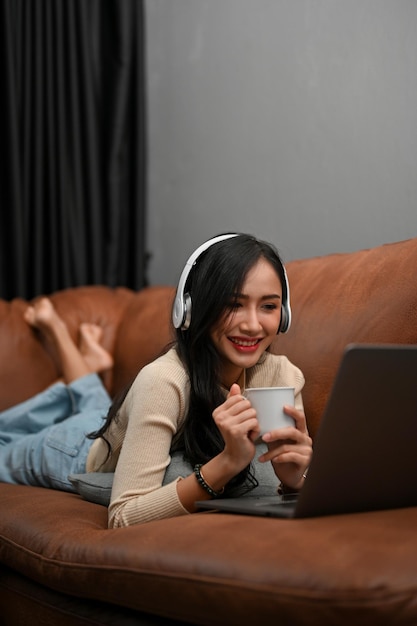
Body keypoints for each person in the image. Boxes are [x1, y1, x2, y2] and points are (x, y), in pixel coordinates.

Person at [0, 233, 312, 527]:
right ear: (190, 310)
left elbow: (295, 483)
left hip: (123, 422)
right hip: (76, 447)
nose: (253, 325)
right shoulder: (164, 380)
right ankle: (58, 333)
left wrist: (295, 479)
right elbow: (122, 516)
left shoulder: (283, 375)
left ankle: (81, 361)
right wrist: (226, 464)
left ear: (283, 314)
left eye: (269, 306)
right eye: (233, 304)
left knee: (97, 405)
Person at [0, 298, 113, 490]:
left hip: (103, 430)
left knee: (92, 399)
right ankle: (76, 351)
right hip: (93, 444)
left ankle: (83, 357)